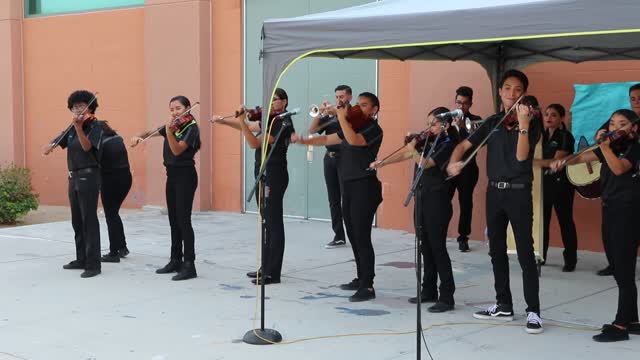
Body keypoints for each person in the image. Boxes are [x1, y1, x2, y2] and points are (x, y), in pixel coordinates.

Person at [447, 70, 544, 334]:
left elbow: (523, 157)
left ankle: (533, 310)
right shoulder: (492, 122)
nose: (512, 93)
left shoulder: (533, 120)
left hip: (519, 191)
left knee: (525, 251)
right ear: (500, 92)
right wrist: (454, 161)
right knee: (496, 251)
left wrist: (523, 122)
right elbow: (464, 146)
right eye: (507, 88)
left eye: (518, 89)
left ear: (523, 93)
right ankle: (503, 304)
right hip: (494, 193)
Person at [550, 109, 640, 342]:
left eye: (622, 123)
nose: (614, 128)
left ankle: (621, 325)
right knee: (620, 268)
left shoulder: (635, 147)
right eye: (611, 124)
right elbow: (583, 158)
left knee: (624, 269)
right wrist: (565, 161)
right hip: (611, 210)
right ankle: (632, 320)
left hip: (627, 213)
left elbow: (620, 168)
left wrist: (605, 147)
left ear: (634, 128)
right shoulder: (612, 148)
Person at [292, 92, 383, 302]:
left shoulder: (373, 129)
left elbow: (353, 140)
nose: (359, 107)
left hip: (365, 187)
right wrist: (303, 141)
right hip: (348, 186)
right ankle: (361, 278)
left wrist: (341, 115)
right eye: (358, 104)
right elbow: (326, 138)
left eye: (364, 105)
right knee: (352, 234)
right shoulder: (352, 125)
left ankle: (368, 286)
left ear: (374, 109)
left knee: (362, 236)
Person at [370, 107, 458, 312]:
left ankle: (447, 296)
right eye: (428, 123)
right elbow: (406, 155)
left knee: (438, 247)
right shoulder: (427, 141)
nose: (429, 128)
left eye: (434, 124)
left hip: (438, 200)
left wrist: (412, 147)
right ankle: (428, 290)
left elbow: (426, 163)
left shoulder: (447, 144)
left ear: (445, 125)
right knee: (424, 246)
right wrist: (383, 163)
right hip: (422, 197)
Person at [213, 88, 294, 285]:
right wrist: (223, 120)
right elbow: (250, 125)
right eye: (269, 100)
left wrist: (242, 122)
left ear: (284, 102)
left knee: (273, 223)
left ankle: (273, 272)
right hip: (262, 173)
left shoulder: (283, 122)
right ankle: (264, 266)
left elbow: (254, 143)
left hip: (275, 175)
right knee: (265, 222)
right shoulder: (270, 120)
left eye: (275, 100)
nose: (272, 104)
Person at [131, 95, 201, 281]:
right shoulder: (174, 126)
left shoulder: (191, 128)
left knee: (184, 221)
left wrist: (169, 131)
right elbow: (151, 133)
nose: (174, 112)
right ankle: (175, 259)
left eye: (178, 108)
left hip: (185, 175)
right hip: (172, 175)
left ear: (187, 108)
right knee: (173, 219)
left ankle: (189, 264)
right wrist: (139, 136)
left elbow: (178, 150)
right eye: (171, 109)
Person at [44, 90, 104, 278]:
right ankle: (81, 258)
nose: (77, 109)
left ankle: (93, 264)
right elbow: (55, 142)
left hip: (89, 175)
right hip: (74, 177)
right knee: (77, 220)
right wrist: (49, 146)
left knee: (89, 220)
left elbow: (87, 148)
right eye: (74, 106)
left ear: (90, 107)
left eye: (81, 106)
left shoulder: (96, 126)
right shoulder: (71, 128)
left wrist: (78, 128)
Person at [593, 83, 640, 276]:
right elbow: (601, 134)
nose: (636, 102)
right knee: (614, 235)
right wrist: (602, 138)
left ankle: (623, 267)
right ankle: (616, 265)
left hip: (632, 189)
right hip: (619, 190)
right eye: (633, 99)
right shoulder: (624, 119)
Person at [533, 104, 577, 272]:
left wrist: (535, 163)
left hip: (561, 185)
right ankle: (540, 256)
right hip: (543, 184)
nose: (549, 118)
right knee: (542, 222)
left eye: (553, 115)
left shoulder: (566, 136)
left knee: (565, 221)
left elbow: (555, 161)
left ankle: (570, 260)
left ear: (561, 118)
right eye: (546, 114)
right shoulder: (540, 136)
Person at [308, 85, 352, 249]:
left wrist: (337, 113)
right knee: (333, 199)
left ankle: (353, 233)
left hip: (346, 159)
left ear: (349, 97)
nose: (339, 100)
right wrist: (320, 114)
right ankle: (339, 236)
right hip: (330, 159)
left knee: (346, 198)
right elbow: (312, 130)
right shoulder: (329, 115)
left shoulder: (353, 114)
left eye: (342, 96)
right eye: (337, 97)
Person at [451, 86, 482, 252]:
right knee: (443, 202)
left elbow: (474, 144)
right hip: (449, 170)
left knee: (465, 203)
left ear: (470, 104)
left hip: (468, 169)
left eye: (464, 103)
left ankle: (463, 237)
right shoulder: (447, 119)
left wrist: (463, 127)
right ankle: (439, 233)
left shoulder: (476, 121)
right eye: (458, 102)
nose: (460, 107)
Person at [99, 123, 133, 263]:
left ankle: (114, 252)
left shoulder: (102, 143)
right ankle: (122, 247)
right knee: (114, 214)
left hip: (111, 180)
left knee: (111, 215)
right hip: (125, 179)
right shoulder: (117, 138)